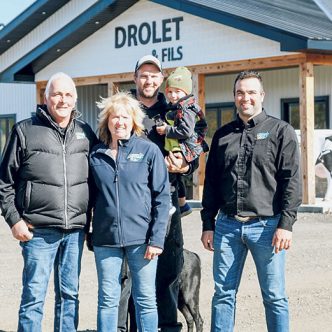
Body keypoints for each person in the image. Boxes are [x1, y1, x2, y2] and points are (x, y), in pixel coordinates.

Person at [201, 70, 302, 332]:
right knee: (223, 294)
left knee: (274, 295)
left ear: (262, 95)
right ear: (235, 96)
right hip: (226, 226)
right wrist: (207, 224)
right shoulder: (222, 135)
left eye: (251, 92)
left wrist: (286, 225)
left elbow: (291, 180)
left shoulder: (281, 131)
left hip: (268, 227)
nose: (245, 97)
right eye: (240, 92)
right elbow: (211, 182)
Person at [0, 72, 97, 332]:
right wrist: (14, 220)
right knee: (34, 297)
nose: (62, 100)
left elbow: (99, 181)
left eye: (67, 95)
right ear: (46, 98)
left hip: (75, 230)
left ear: (75, 100)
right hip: (38, 231)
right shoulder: (25, 131)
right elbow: (4, 182)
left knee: (70, 296)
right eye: (56, 94)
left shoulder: (86, 133)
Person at [118, 55, 199, 332]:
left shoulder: (175, 108)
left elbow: (197, 141)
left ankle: (166, 327)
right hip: (129, 206)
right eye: (144, 74)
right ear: (135, 77)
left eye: (154, 75)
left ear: (161, 79)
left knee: (167, 270)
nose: (149, 80)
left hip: (168, 203)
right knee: (129, 276)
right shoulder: (124, 109)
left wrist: (186, 164)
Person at [89, 92, 169, 332]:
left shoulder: (148, 151)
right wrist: (88, 232)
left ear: (134, 120)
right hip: (106, 240)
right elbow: (90, 197)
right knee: (107, 300)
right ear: (107, 121)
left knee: (145, 299)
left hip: (142, 240)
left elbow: (162, 197)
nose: (119, 122)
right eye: (114, 117)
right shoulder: (95, 154)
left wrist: (156, 239)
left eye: (125, 117)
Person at [155, 66, 208, 218]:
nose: (173, 95)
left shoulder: (186, 109)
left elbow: (186, 131)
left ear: (186, 92)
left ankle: (177, 204)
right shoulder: (177, 107)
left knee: (171, 172)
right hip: (179, 146)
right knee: (176, 176)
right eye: (170, 91)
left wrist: (167, 130)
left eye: (177, 91)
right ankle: (182, 204)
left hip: (183, 147)